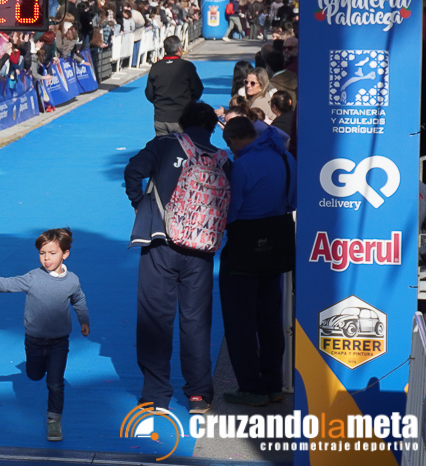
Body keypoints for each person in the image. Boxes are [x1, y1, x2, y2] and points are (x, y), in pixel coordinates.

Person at [123, 102, 230, 414]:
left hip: (161, 241)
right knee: (196, 321)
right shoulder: (222, 159)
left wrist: (138, 203)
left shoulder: (165, 144)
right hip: (201, 249)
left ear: (183, 122)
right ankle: (198, 395)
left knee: (155, 317)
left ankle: (155, 394)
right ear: (211, 127)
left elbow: (133, 171)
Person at [0, 228, 90, 442]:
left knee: (55, 383)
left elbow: (78, 300)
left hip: (59, 342)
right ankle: (40, 369)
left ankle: (54, 420)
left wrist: (84, 320)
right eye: (42, 253)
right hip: (34, 342)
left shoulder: (72, 281)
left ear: (65, 254)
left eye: (52, 253)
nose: (46, 258)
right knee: (34, 375)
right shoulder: (33, 277)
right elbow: (5, 284)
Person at [219, 117, 297, 407]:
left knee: (240, 319)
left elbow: (233, 209)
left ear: (233, 140)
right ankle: (273, 383)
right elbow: (293, 200)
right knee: (270, 317)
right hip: (277, 242)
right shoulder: (285, 157)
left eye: (230, 145)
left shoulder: (242, 165)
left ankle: (251, 387)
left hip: (245, 245)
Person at [144, 36, 204, 136]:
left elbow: (149, 93)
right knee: (183, 144)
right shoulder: (187, 66)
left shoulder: (156, 67)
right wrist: (189, 103)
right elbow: (197, 89)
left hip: (161, 116)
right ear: (179, 49)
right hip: (182, 116)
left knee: (163, 144)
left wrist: (159, 103)